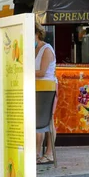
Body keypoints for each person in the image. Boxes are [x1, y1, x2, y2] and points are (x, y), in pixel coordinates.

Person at [35, 22, 57, 165]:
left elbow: (42, 72)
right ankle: (36, 153)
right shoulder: (31, 50)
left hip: (47, 89)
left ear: (37, 34)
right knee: (38, 119)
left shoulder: (46, 49)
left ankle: (49, 153)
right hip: (35, 87)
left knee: (47, 119)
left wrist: (23, 72)